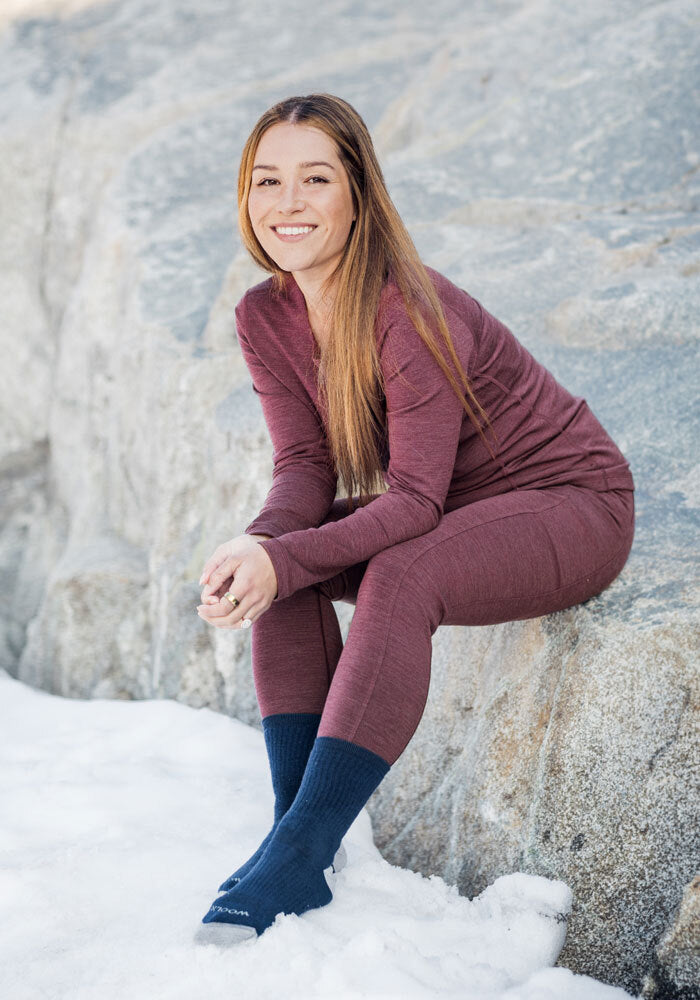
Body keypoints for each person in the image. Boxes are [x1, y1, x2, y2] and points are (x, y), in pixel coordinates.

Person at [193, 93, 635, 942]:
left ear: (358, 193)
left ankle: (296, 854)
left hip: (570, 506)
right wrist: (260, 546)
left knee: (400, 568)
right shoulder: (266, 315)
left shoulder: (406, 308)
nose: (288, 203)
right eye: (267, 181)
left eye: (315, 178)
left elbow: (415, 505)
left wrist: (286, 556)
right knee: (284, 563)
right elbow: (304, 469)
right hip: (461, 507)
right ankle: (300, 840)